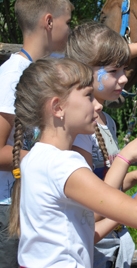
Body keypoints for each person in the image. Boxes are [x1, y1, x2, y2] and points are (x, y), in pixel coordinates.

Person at [9, 57, 137, 267]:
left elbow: (83, 234)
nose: (97, 105)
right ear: (57, 107)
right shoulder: (63, 165)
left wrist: (128, 208)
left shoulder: (36, 158)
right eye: (88, 96)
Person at [65, 21, 137, 267]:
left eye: (124, 69)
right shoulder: (79, 132)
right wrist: (127, 156)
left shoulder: (107, 122)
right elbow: (89, 208)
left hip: (112, 244)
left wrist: (135, 176)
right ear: (85, 72)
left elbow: (105, 183)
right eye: (114, 71)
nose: (123, 79)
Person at [0, 1, 74, 266]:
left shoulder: (45, 69)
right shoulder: (12, 76)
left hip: (32, 201)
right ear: (49, 22)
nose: (70, 31)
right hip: (9, 207)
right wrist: (47, 161)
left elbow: (95, 56)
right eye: (68, 23)